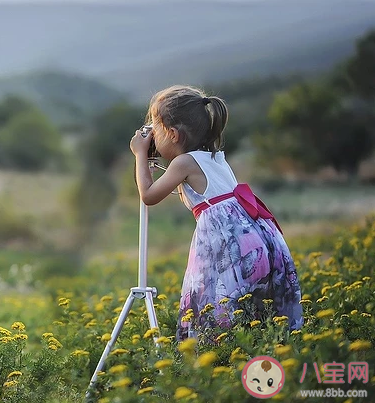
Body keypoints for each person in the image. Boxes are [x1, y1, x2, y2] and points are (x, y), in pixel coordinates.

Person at [129, 85, 302, 342]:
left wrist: (140, 154)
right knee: (255, 311)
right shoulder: (215, 156)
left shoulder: (183, 163)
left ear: (173, 134)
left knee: (212, 303)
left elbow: (149, 195)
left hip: (228, 247)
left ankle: (214, 358)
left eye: (155, 128)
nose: (152, 135)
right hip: (260, 240)